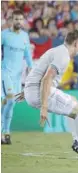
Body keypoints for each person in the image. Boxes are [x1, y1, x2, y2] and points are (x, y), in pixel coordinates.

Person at [16, 30, 78, 160]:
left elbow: (38, 71)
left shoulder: (57, 51)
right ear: (75, 43)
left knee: (74, 102)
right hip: (38, 90)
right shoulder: (63, 55)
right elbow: (47, 79)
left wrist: (27, 91)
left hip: (32, 90)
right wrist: (44, 107)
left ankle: (77, 142)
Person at [1, 10, 33, 145]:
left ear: (23, 21)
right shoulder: (4, 35)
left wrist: (31, 67)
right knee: (10, 99)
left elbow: (27, 53)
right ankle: (4, 131)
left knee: (10, 104)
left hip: (17, 76)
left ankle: (6, 133)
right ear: (11, 20)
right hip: (5, 73)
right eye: (16, 19)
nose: (18, 22)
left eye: (20, 19)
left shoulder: (25, 36)